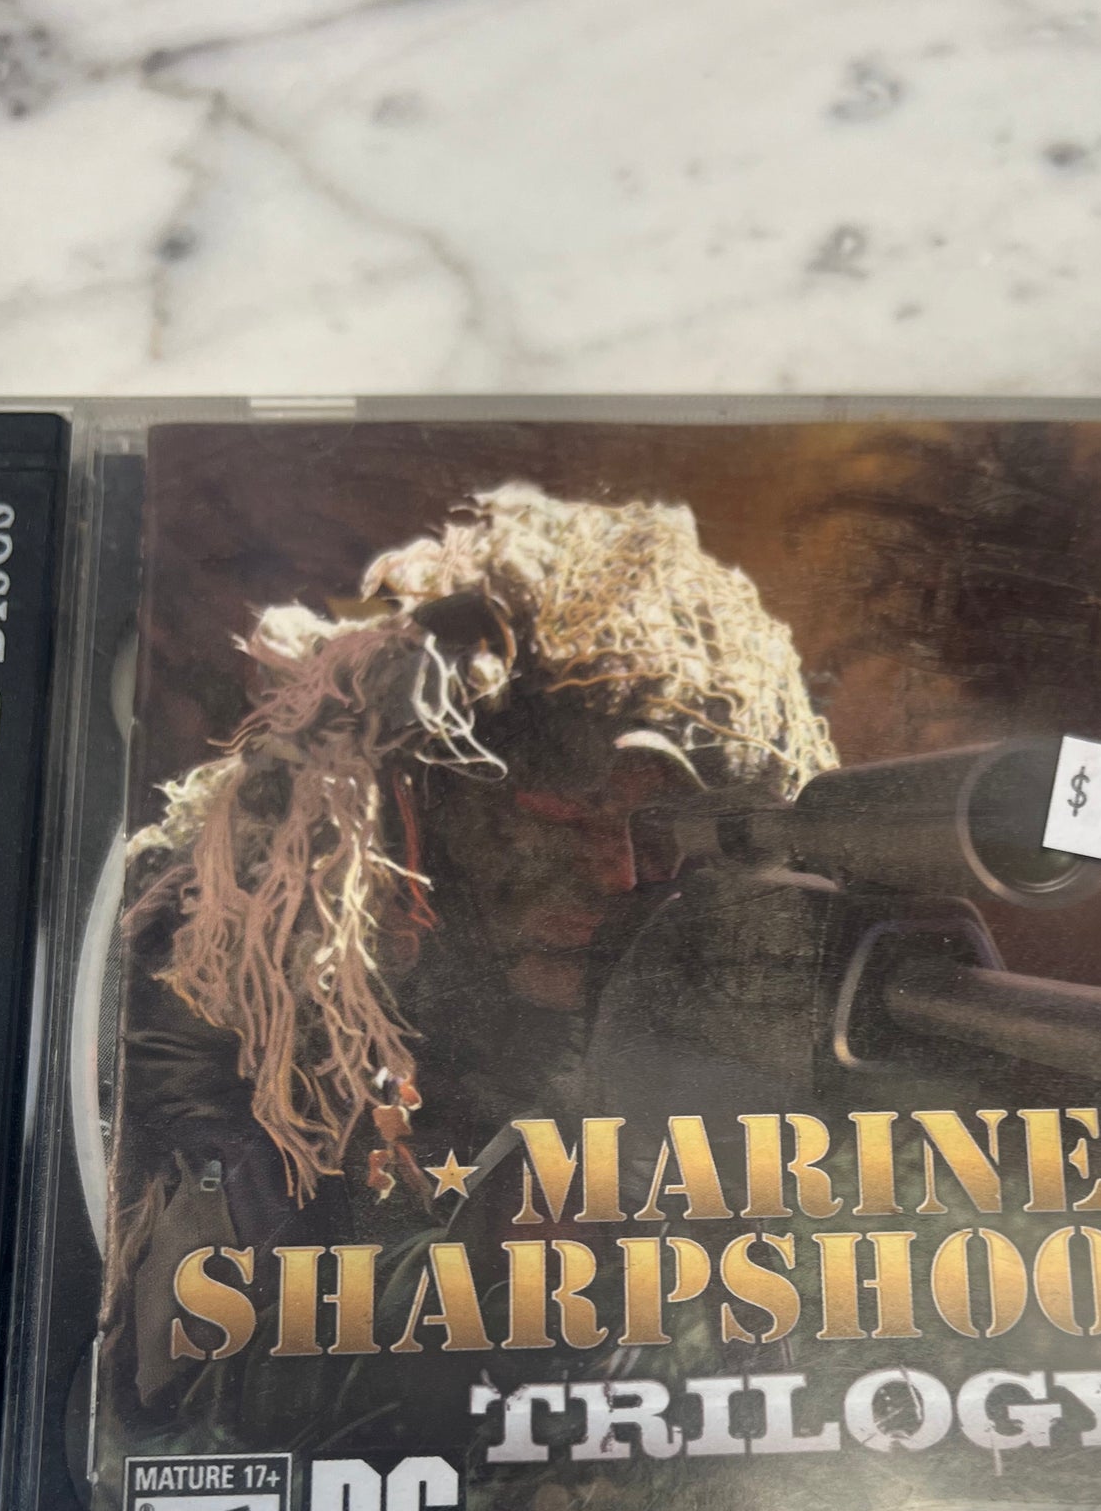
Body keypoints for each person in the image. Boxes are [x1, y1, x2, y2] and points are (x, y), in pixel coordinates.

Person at [109, 483, 839, 1403]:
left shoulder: (698, 1009)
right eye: (566, 823)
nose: (618, 874)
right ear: (424, 817)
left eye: (656, 836)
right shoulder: (241, 989)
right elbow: (180, 1398)